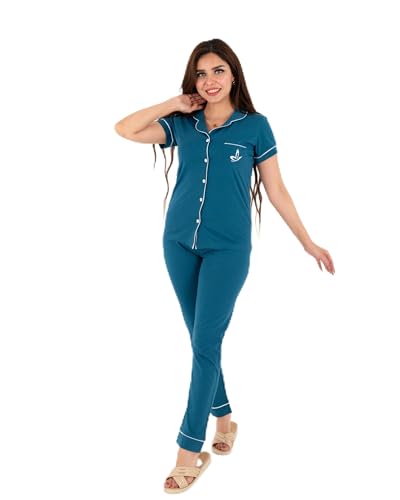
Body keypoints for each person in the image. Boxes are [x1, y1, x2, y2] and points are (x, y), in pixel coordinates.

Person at [114, 38, 335, 494]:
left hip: (228, 252)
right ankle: (226, 418)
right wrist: (173, 103)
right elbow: (125, 129)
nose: (209, 80)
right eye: (201, 73)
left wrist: (307, 241)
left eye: (217, 71)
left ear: (234, 74)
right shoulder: (184, 124)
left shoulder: (255, 127)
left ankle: (188, 451)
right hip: (178, 243)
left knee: (205, 343)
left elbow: (276, 190)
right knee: (201, 341)